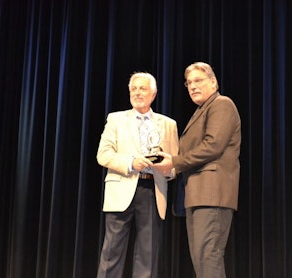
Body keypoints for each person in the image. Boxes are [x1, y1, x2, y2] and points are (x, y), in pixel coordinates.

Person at [153, 62, 241, 277]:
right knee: (201, 258)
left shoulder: (222, 104)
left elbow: (213, 145)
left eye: (198, 80)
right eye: (189, 82)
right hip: (197, 195)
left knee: (208, 256)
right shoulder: (201, 111)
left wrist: (174, 161)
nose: (192, 86)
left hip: (212, 195)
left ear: (214, 82)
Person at [96, 72, 179, 278]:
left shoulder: (168, 124)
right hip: (122, 188)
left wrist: (165, 169)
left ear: (153, 93)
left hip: (153, 190)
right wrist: (131, 163)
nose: (137, 93)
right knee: (111, 252)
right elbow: (103, 155)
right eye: (133, 89)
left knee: (148, 254)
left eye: (142, 88)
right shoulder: (115, 119)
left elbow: (175, 164)